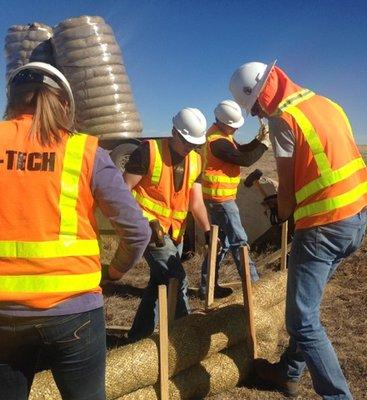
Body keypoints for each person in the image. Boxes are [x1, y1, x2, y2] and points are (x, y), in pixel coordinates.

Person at [229, 61, 367, 399]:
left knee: (301, 322)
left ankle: (338, 396)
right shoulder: (327, 104)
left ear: (262, 94)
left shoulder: (284, 117)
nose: (257, 116)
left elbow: (287, 189)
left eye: (254, 109)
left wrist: (281, 213)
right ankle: (288, 372)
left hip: (323, 230)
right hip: (354, 219)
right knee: (306, 310)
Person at [0, 62, 150, 400]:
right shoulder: (85, 151)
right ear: (65, 104)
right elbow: (137, 231)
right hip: (74, 312)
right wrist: (114, 271)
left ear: (12, 99)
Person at [124, 107, 212, 341]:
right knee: (177, 279)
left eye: (194, 144)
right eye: (186, 142)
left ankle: (137, 338)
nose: (190, 148)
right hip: (150, 232)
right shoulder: (148, 151)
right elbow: (122, 193)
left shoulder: (195, 160)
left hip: (176, 234)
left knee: (158, 285)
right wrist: (144, 222)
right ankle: (187, 338)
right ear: (174, 132)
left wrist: (207, 231)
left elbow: (197, 203)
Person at [199, 99, 270, 299]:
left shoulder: (221, 135)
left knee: (219, 244)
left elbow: (242, 150)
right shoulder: (218, 141)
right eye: (233, 125)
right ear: (222, 121)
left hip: (218, 198)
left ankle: (208, 287)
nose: (235, 129)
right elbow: (244, 159)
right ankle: (255, 288)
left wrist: (258, 140)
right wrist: (264, 145)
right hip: (221, 201)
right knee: (240, 242)